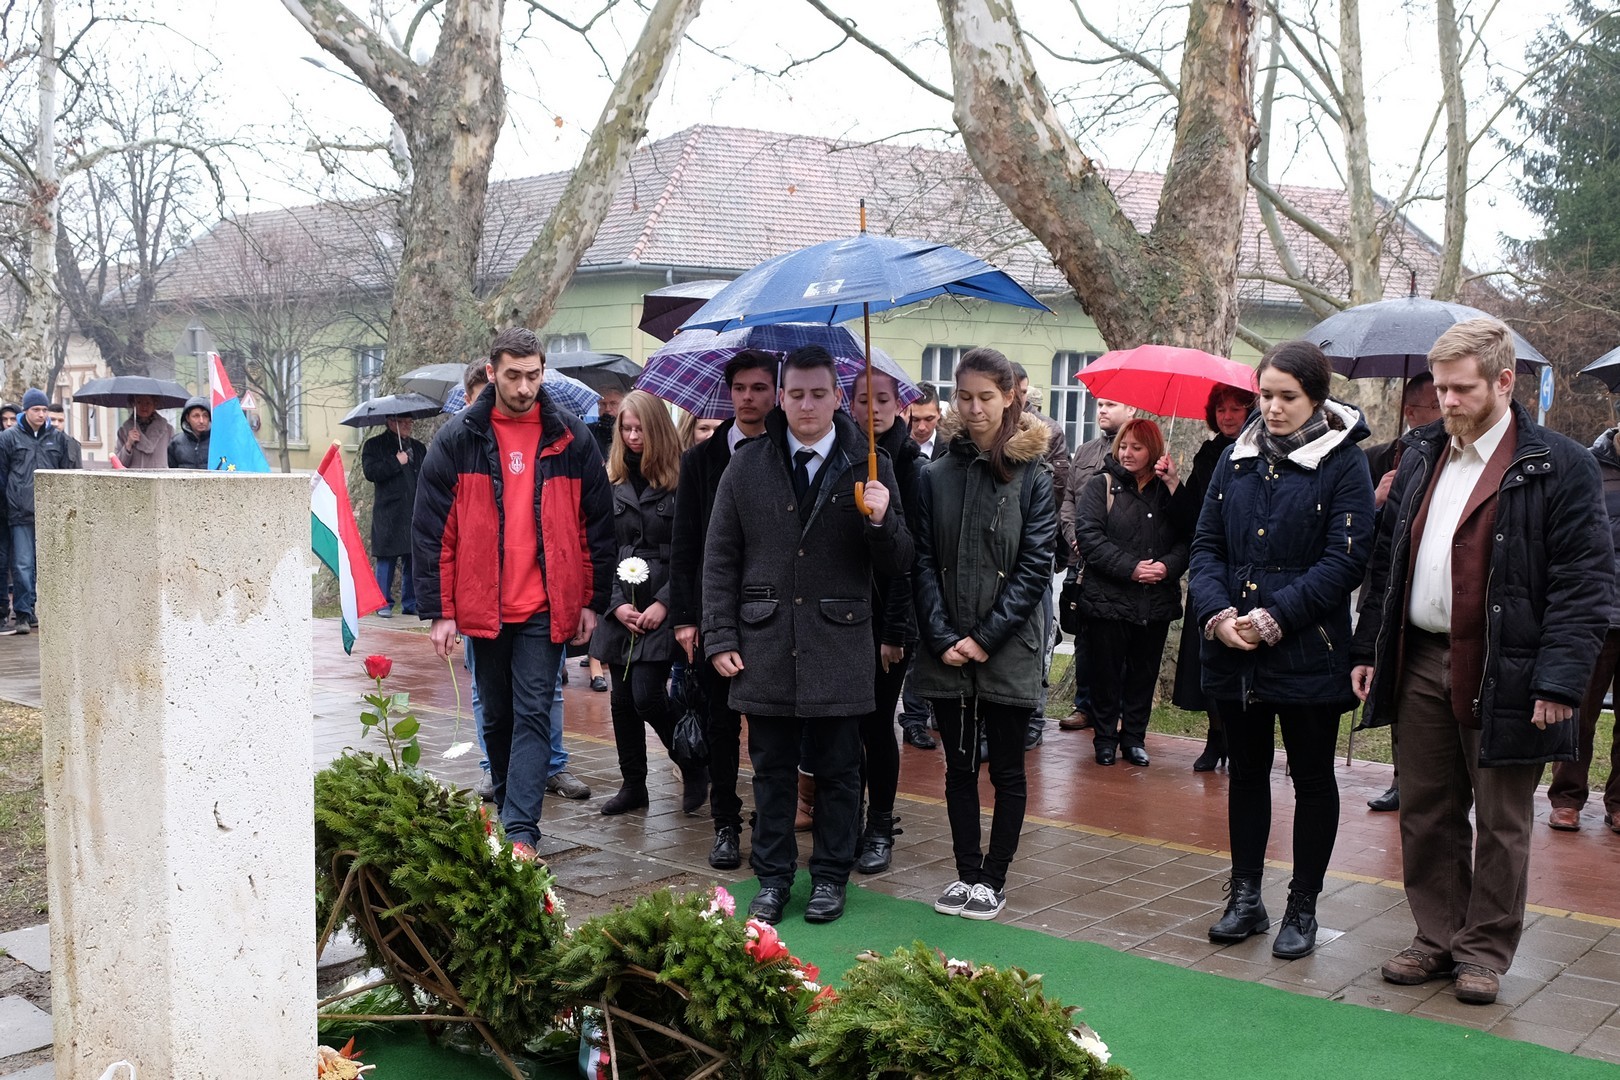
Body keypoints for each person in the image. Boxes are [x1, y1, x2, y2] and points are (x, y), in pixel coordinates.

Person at [1351, 318, 1612, 1004]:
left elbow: (1584, 584)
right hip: (1419, 657)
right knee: (1426, 809)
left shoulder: (1559, 465)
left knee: (1502, 819)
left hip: (1511, 668)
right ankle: (1436, 938)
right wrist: (1368, 646)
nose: (1446, 402)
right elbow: (1387, 562)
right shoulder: (1421, 454)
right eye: (1440, 388)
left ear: (1503, 381)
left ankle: (1484, 952)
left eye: (1461, 389)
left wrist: (1560, 680)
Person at [702, 345, 912, 926]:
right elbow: (720, 557)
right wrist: (720, 635)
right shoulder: (747, 464)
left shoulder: (869, 464)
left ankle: (829, 878)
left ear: (838, 396)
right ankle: (772, 879)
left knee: (841, 769)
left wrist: (881, 521)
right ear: (781, 396)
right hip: (765, 641)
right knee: (771, 771)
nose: (807, 405)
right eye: (795, 394)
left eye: (819, 393)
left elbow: (900, 560)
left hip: (840, 644)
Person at [1190, 340, 1373, 960]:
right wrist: (1217, 615)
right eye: (1265, 395)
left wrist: (1274, 618)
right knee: (1246, 773)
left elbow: (1344, 561)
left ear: (1316, 398)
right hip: (1233, 649)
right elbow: (1207, 546)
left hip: (1308, 650)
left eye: (1286, 397)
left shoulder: (1344, 462)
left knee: (1312, 777)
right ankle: (1246, 896)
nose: (1271, 408)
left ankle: (1303, 905)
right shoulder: (1235, 456)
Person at [413, 328, 615, 861]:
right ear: (491, 372)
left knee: (533, 713)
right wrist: (439, 611)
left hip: (546, 604)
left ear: (543, 371)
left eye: (533, 375)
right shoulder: (458, 438)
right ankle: (509, 810)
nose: (524, 387)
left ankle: (521, 832)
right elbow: (432, 530)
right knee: (497, 716)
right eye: (513, 376)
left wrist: (591, 599)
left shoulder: (572, 437)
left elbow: (597, 525)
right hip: (483, 603)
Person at [912, 347, 1056, 921]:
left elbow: (1034, 567)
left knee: (1008, 768)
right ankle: (966, 873)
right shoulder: (935, 474)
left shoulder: (1034, 475)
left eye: (986, 398)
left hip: (1009, 646)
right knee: (959, 767)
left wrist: (985, 638)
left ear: (1010, 396)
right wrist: (941, 635)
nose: (974, 409)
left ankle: (994, 878)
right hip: (947, 646)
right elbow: (923, 560)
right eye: (965, 396)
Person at [671, 349, 777, 871]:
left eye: (759, 388)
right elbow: (685, 543)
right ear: (728, 393)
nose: (749, 398)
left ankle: (770, 825)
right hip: (716, 610)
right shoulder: (701, 461)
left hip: (772, 613)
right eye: (740, 388)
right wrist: (686, 617)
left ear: (776, 392)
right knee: (720, 723)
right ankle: (726, 823)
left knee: (771, 730)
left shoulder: (789, 455)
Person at [589, 390, 707, 816]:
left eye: (640, 428)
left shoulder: (683, 476)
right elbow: (600, 547)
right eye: (626, 428)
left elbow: (692, 550)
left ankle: (693, 762)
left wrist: (664, 603)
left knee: (646, 695)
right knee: (621, 700)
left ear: (657, 428)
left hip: (664, 597)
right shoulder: (610, 479)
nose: (633, 436)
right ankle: (633, 785)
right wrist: (615, 604)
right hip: (621, 598)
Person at [1074, 417, 1189, 768]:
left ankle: (1135, 738)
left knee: (1143, 673)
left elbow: (1190, 535)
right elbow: (1089, 537)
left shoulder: (1167, 490)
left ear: (1152, 450)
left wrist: (1165, 567)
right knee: (1106, 674)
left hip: (1154, 601)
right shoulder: (1102, 485)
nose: (1127, 453)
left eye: (1136, 447)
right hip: (1108, 599)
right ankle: (1105, 738)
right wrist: (1132, 568)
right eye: (1123, 446)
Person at [849, 368, 923, 872]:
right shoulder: (844, 454)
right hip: (844, 615)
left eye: (882, 399)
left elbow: (909, 557)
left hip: (887, 620)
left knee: (876, 725)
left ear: (899, 406)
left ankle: (880, 825)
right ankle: (847, 820)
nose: (872, 409)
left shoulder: (909, 464)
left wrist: (894, 631)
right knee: (846, 728)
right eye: (862, 399)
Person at [1358, 372, 1441, 812]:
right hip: (1385, 589)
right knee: (1397, 683)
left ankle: (1424, 782)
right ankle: (1400, 778)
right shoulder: (1373, 459)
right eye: (1436, 404)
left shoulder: (1448, 456)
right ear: (1410, 412)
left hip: (1429, 590)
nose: (1445, 412)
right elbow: (1350, 532)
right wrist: (1376, 499)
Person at [1171, 385, 1257, 771]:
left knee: (1243, 656)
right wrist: (1173, 482)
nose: (1227, 416)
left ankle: (1239, 742)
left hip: (1248, 569)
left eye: (1236, 409)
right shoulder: (1209, 454)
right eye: (1221, 409)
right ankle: (1214, 735)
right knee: (1209, 658)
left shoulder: (1261, 451)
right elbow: (1192, 515)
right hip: (1212, 569)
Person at [1546, 423, 1620, 836]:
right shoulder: (1587, 466)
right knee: (1577, 714)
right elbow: (1575, 537)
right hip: (1595, 612)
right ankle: (1566, 799)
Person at [1058, 398, 1138, 733]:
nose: (1102, 410)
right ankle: (1085, 705)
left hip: (1120, 564)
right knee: (1084, 639)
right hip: (1082, 563)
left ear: (1131, 409)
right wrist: (1075, 536)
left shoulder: (1140, 452)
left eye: (1111, 404)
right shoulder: (1085, 451)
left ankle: (1117, 710)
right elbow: (1069, 502)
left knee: (1122, 643)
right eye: (1100, 404)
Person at [1010, 363, 1070, 750]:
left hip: (1035, 549)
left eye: (1021, 393)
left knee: (1039, 634)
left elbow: (1056, 493)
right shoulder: (981, 431)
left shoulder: (1048, 432)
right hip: (993, 552)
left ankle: (1034, 715)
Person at [0, 388, 80, 635]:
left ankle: (37, 609)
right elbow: (2, 474)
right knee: (23, 564)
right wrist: (8, 504)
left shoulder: (58, 439)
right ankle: (23, 613)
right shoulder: (9, 438)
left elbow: (65, 472)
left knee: (45, 565)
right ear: (26, 410)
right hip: (20, 510)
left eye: (44, 409)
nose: (42, 414)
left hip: (50, 512)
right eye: (36, 409)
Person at [363, 416, 427, 619]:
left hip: (414, 510)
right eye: (403, 422)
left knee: (412, 558)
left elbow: (426, 473)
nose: (408, 425)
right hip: (388, 512)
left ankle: (411, 602)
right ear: (391, 422)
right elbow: (370, 472)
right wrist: (395, 462)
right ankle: (382, 602)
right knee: (386, 558)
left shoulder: (418, 448)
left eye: (410, 421)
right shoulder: (374, 445)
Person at [115, 394, 173, 468]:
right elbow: (118, 464)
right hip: (134, 475)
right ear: (133, 404)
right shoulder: (124, 431)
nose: (144, 406)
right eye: (139, 402)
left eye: (148, 403)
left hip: (159, 475)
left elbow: (173, 460)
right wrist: (128, 444)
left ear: (154, 405)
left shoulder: (167, 430)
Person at [168, 397, 212, 469]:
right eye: (196, 416)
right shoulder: (176, 443)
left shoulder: (217, 442)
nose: (201, 421)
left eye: (205, 416)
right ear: (187, 418)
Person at [907, 383, 947, 461]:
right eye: (915, 419)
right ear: (906, 413)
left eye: (929, 419)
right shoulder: (894, 446)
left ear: (939, 413)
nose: (921, 427)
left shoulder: (952, 448)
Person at [46, 402, 82, 468]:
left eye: (60, 420)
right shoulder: (37, 442)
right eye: (52, 419)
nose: (56, 424)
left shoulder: (73, 444)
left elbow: (78, 471)